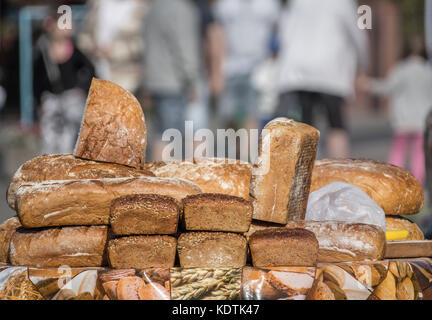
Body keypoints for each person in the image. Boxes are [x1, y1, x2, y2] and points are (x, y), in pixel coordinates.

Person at [276, 0, 368, 158]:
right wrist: (363, 65)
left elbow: (284, 29)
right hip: (331, 69)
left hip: (299, 69)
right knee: (336, 124)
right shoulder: (343, 3)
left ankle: (305, 174)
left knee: (304, 125)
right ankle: (337, 175)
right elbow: (357, 34)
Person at [359, 36, 432, 186]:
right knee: (419, 153)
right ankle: (417, 183)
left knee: (398, 151)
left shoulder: (401, 69)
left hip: (403, 120)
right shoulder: (428, 71)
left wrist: (369, 85)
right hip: (421, 121)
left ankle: (394, 180)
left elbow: (387, 87)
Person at [143, 0, 200, 160]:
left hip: (156, 80)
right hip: (173, 82)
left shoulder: (154, 7)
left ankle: (159, 178)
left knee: (162, 132)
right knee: (169, 136)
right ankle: (161, 181)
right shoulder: (181, 9)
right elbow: (185, 48)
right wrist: (192, 80)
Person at [34, 13, 95, 154]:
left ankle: (67, 164)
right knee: (49, 137)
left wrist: (82, 88)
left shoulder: (74, 49)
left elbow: (90, 70)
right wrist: (39, 102)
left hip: (71, 98)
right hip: (51, 99)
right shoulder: (43, 50)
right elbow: (37, 80)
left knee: (70, 136)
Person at [214, 0, 280, 131]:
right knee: (228, 116)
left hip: (258, 67)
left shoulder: (269, 4)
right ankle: (233, 149)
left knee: (253, 115)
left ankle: (247, 151)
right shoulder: (225, 5)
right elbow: (217, 34)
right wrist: (217, 70)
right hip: (230, 67)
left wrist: (273, 65)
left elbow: (278, 30)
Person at [78, 0, 149, 95]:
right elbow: (84, 36)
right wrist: (93, 48)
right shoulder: (97, 5)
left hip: (127, 79)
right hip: (96, 74)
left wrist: (115, 50)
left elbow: (145, 43)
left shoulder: (141, 9)